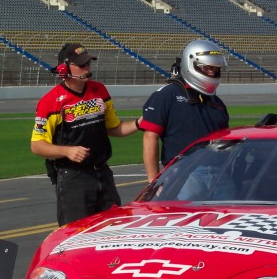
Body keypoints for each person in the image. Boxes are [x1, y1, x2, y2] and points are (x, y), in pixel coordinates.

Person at [31, 43, 142, 226]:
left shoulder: (100, 90)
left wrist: (139, 123)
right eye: (81, 65)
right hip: (74, 178)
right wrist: (67, 151)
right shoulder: (50, 102)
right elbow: (37, 145)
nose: (87, 68)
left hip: (103, 173)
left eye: (88, 64)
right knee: (77, 236)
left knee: (114, 230)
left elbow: (113, 128)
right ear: (63, 68)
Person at [139, 39, 229, 182]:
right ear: (190, 64)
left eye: (215, 68)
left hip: (218, 172)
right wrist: (153, 180)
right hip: (182, 173)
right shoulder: (167, 95)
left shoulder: (217, 103)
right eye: (206, 68)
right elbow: (150, 137)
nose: (212, 73)